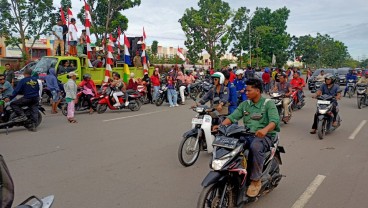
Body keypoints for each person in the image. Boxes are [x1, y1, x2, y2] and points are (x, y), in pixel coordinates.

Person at [218, 78, 280, 197]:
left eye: (248, 91)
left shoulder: (268, 104)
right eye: (245, 91)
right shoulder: (245, 104)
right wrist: (220, 126)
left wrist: (264, 130)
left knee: (255, 147)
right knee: (230, 144)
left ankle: (256, 181)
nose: (245, 93)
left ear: (257, 91)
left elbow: (274, 121)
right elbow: (233, 117)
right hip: (248, 134)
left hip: (265, 136)